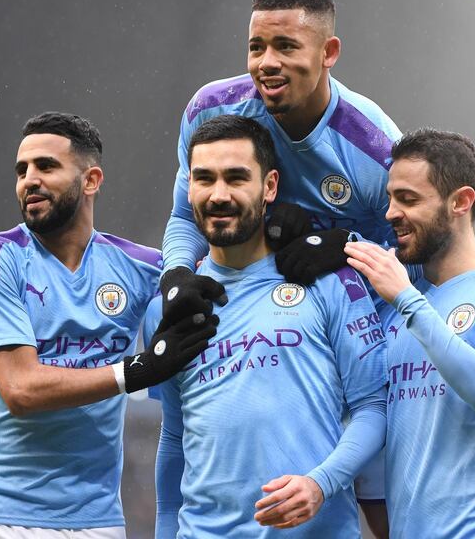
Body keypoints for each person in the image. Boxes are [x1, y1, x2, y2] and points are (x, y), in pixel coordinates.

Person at [159, 0, 401, 530]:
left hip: (354, 315)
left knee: (382, 498)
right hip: (266, 295)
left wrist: (345, 245)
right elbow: (182, 215)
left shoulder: (372, 147)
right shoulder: (211, 109)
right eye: (256, 47)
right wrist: (175, 273)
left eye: (286, 47)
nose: (266, 62)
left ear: (328, 53)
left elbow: (415, 255)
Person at [0, 112, 218, 539]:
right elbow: (20, 389)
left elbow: (225, 278)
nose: (29, 180)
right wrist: (137, 371)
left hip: (96, 521)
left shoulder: (140, 267)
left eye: (46, 167)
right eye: (22, 170)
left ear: (91, 180)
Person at [150, 115, 388, 538]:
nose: (218, 195)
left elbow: (374, 409)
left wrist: (321, 483)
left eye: (236, 178)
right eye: (204, 179)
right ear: (189, 188)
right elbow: (174, 437)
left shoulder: (330, 280)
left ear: (270, 186)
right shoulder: (171, 306)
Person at [344, 129, 475, 538]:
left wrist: (408, 302)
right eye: (390, 199)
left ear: (461, 201)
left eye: (408, 199)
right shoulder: (390, 301)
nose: (391, 213)